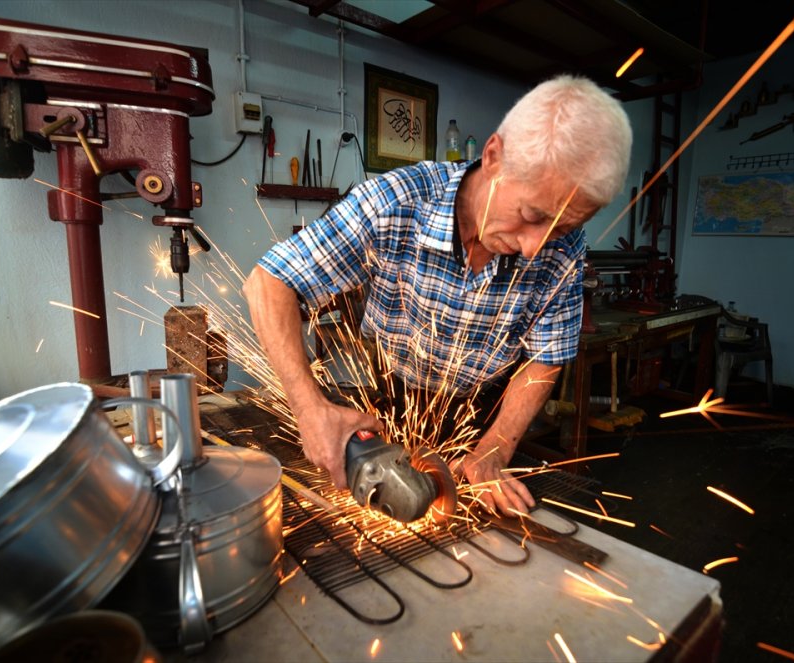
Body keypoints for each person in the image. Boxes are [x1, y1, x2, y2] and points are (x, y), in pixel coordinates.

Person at [244, 75, 632, 516]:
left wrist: (496, 449)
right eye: (530, 215)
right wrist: (309, 408)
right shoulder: (397, 200)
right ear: (493, 157)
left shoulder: (563, 252)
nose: (534, 248)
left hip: (483, 412)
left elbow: (547, 356)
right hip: (388, 395)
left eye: (561, 228)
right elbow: (269, 282)